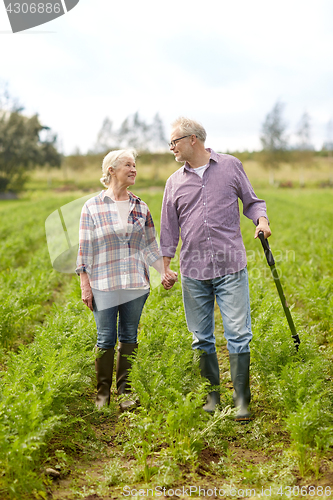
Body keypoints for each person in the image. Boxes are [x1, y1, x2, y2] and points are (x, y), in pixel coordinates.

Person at [160, 118, 271, 421]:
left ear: (192, 139)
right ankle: (211, 398)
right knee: (201, 337)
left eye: (174, 141)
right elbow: (169, 230)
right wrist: (164, 267)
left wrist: (261, 221)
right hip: (193, 271)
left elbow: (253, 201)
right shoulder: (174, 182)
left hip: (230, 266)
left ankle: (242, 401)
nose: (171, 147)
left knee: (238, 334)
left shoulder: (230, 166)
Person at [76, 149, 173, 411]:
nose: (134, 170)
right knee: (106, 338)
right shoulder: (92, 207)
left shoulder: (140, 206)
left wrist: (163, 271)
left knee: (129, 336)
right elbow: (84, 250)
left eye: (135, 165)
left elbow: (151, 247)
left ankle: (125, 392)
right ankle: (102, 395)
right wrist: (85, 285)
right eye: (128, 165)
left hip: (135, 284)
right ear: (111, 171)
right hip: (103, 283)